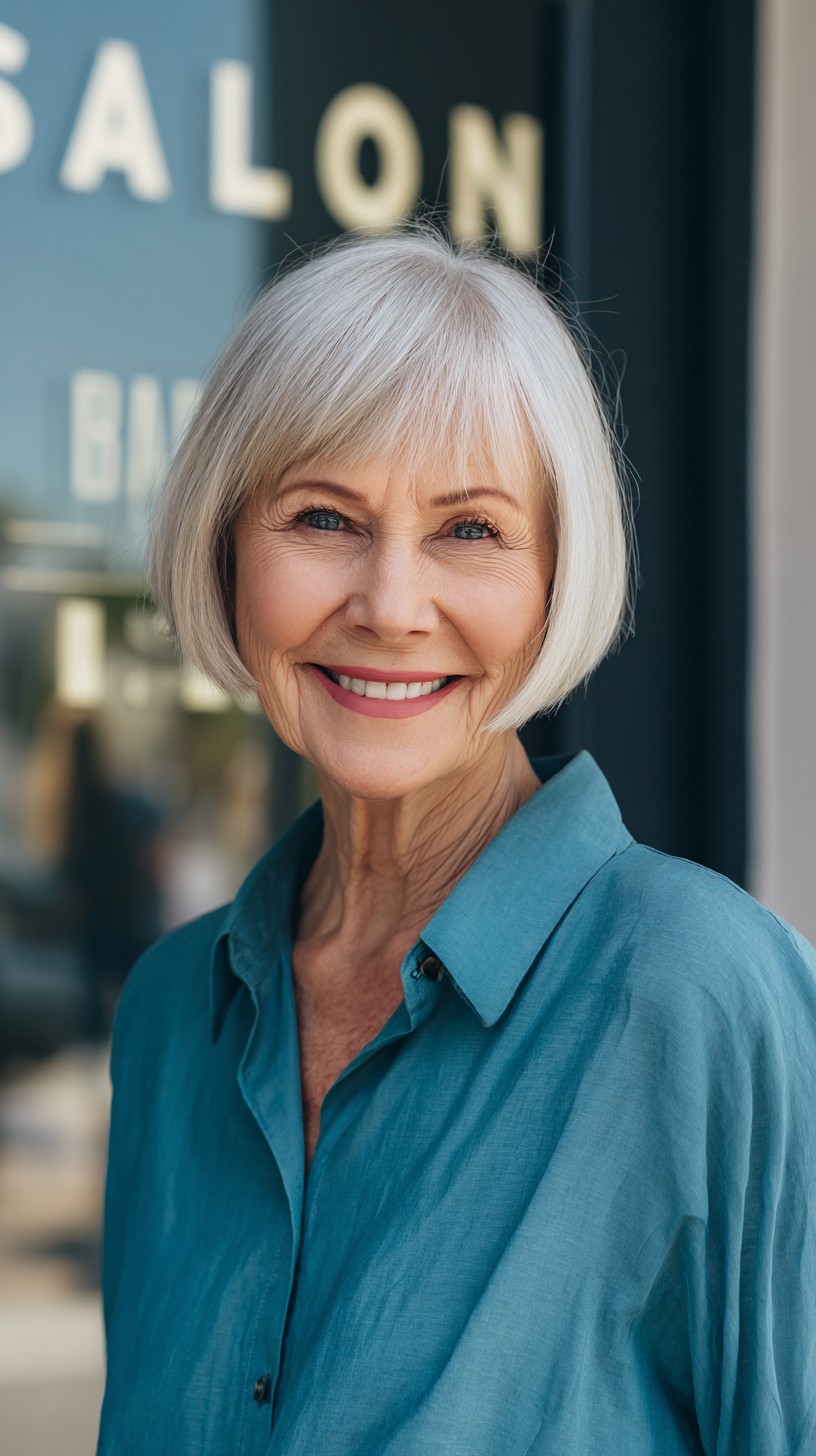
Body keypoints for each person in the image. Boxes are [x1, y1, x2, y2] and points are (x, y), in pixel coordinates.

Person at [96, 228, 816, 1456]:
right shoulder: (172, 1012)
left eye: (470, 530)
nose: (390, 605)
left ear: (554, 579)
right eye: (324, 516)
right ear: (227, 550)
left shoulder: (700, 991)